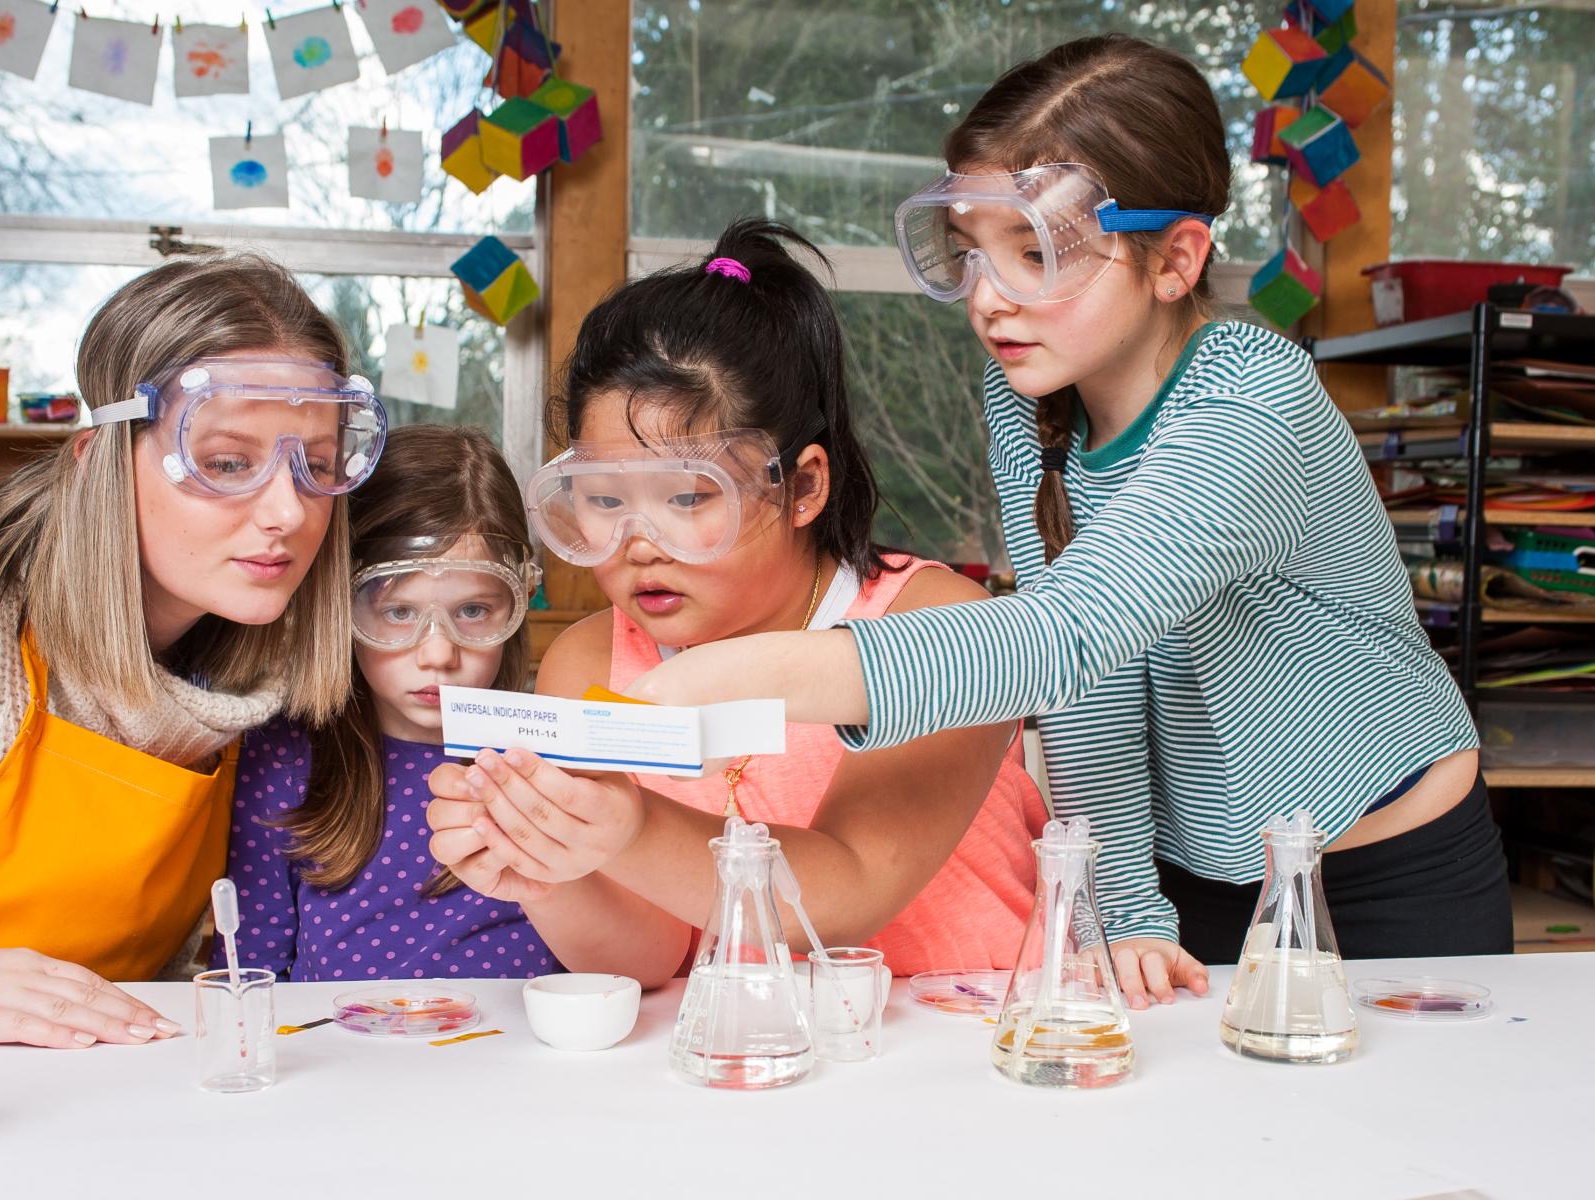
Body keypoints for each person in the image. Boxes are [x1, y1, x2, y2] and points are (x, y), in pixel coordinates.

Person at [615, 36, 1511, 1008]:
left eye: (1034, 251)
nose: (989, 298)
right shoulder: (1030, 400)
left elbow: (1060, 637)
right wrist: (1126, 906)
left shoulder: (1256, 397)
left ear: (1175, 259)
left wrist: (735, 677)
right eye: (970, 250)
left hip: (1387, 871)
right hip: (1195, 874)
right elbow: (1092, 685)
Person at [426, 219, 1046, 985]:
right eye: (601, 498)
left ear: (805, 487)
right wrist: (545, 866)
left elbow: (846, 892)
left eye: (689, 496)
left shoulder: (937, 623)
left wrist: (631, 827)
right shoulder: (592, 657)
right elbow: (652, 960)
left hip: (962, 1044)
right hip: (737, 1061)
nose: (637, 542)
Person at [0, 252, 381, 1045]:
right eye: (227, 463)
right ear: (96, 458)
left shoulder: (259, 674)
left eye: (313, 465)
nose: (287, 510)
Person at [219, 424, 561, 982]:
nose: (438, 654)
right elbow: (248, 971)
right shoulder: (284, 756)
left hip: (510, 1064)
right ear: (342, 607)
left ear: (516, 603)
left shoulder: (548, 758)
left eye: (473, 611)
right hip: (338, 1063)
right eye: (399, 612)